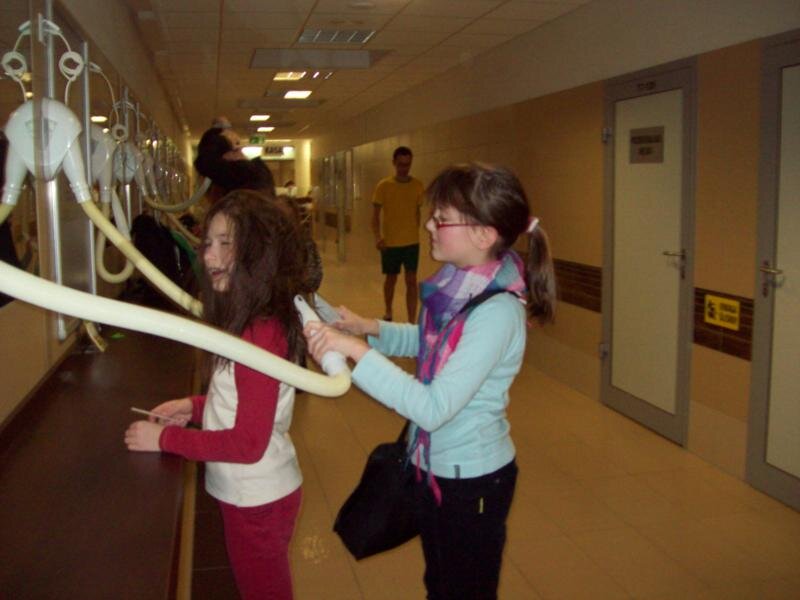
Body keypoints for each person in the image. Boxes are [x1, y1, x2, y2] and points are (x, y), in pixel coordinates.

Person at [305, 163, 556, 600]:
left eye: (441, 219)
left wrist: (357, 353)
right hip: (433, 465)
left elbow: (433, 408)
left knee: (463, 591)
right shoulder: (460, 283)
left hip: (471, 481)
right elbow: (431, 342)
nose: (428, 226)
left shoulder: (496, 312)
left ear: (484, 234)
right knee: (440, 582)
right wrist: (368, 328)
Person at [124, 190, 308, 600]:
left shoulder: (259, 332)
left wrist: (165, 439)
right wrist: (192, 407)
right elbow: (243, 402)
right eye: (208, 242)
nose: (209, 255)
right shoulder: (246, 319)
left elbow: (247, 443)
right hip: (256, 492)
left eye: (226, 243)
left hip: (256, 497)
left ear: (258, 254)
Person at [194, 124, 322, 294]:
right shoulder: (255, 181)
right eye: (236, 147)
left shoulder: (251, 178)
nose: (241, 152)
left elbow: (203, 162)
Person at [372, 146, 425, 322]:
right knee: (391, 278)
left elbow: (417, 212)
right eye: (401, 164)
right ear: (394, 163)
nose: (405, 168)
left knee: (411, 280)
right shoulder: (384, 186)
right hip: (390, 243)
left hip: (411, 242)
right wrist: (378, 237)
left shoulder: (417, 185)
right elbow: (375, 216)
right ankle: (388, 310)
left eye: (408, 164)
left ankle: (411, 320)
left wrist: (415, 229)